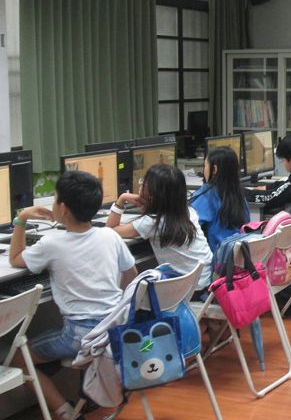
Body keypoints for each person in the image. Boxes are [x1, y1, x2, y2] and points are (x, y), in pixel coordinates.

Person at [9, 171, 137, 420]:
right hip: (113, 329)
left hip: (80, 337)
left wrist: (21, 219)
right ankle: (79, 400)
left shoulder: (51, 245)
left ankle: (65, 413)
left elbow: (15, 258)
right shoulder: (110, 236)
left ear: (63, 208)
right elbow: (132, 277)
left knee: (17, 359)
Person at [106, 163, 213, 299]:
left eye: (143, 183)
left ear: (152, 193)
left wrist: (121, 200)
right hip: (205, 282)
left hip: (187, 292)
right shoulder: (188, 211)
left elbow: (110, 230)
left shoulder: (152, 223)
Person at [190, 147, 249, 253]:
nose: (204, 170)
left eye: (205, 166)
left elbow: (188, 224)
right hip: (239, 256)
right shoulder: (239, 195)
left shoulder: (206, 195)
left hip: (215, 258)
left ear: (214, 169)